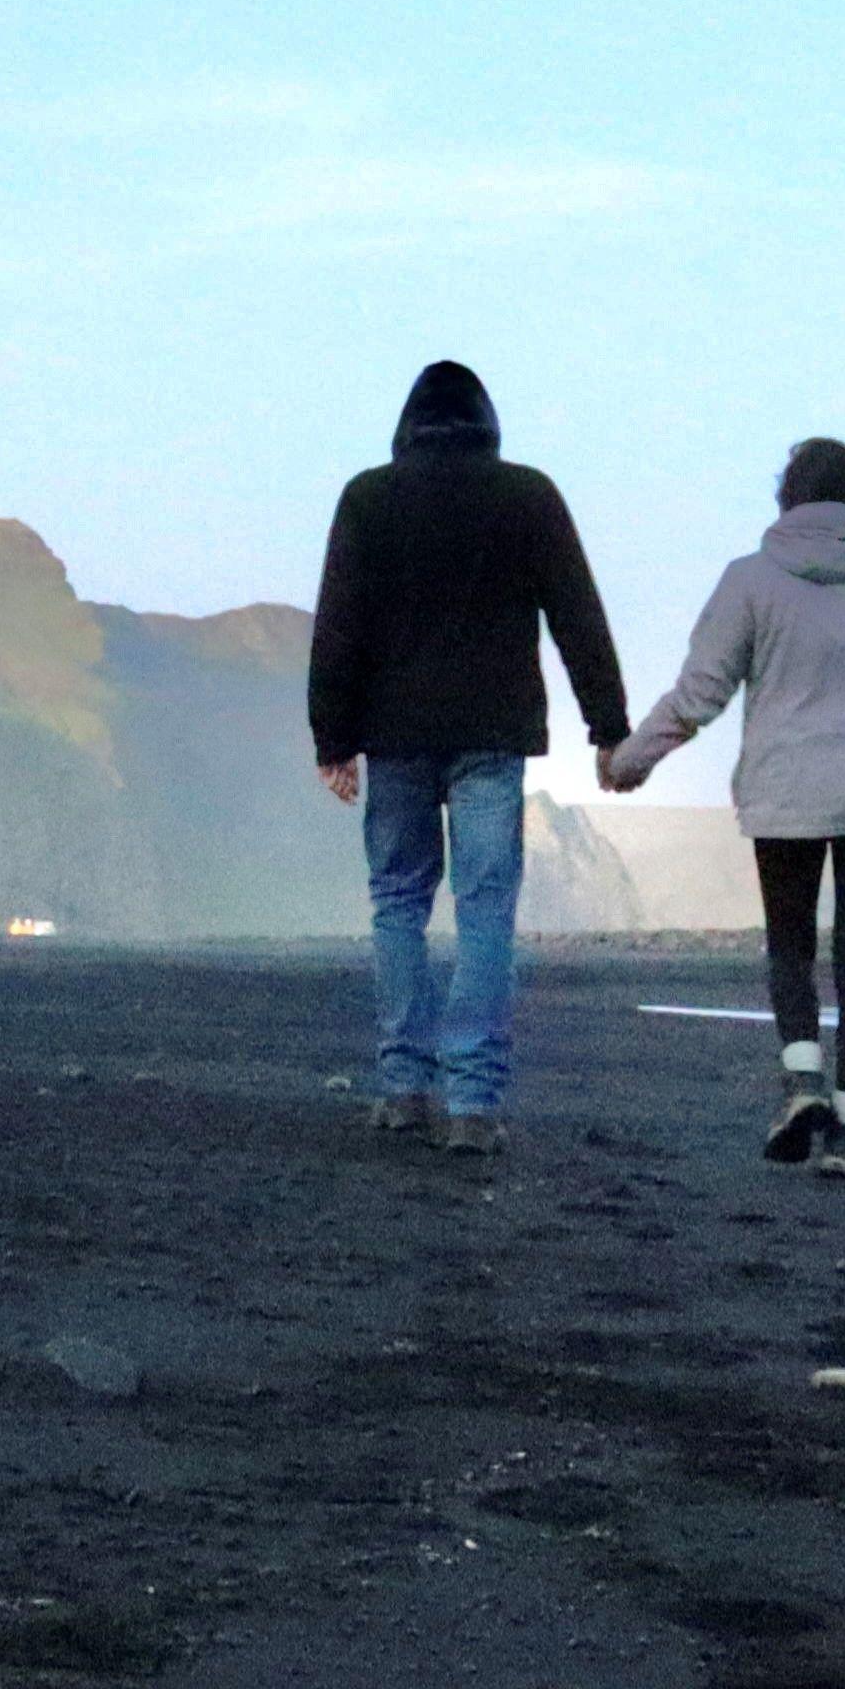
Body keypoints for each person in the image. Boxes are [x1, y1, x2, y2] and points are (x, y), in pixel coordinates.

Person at [599, 436, 845, 1176]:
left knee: (790, 949)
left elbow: (699, 693)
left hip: (786, 795)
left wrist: (629, 761)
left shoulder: (751, 580)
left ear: (787, 499)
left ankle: (803, 1084)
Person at [307, 358, 627, 1157]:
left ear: (407, 425)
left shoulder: (369, 498)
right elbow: (577, 612)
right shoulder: (527, 495)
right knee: (486, 911)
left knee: (399, 905)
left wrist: (333, 738)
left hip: (396, 735)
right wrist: (608, 724)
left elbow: (338, 622)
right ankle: (474, 1103)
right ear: (487, 424)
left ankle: (404, 1088)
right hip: (491, 735)